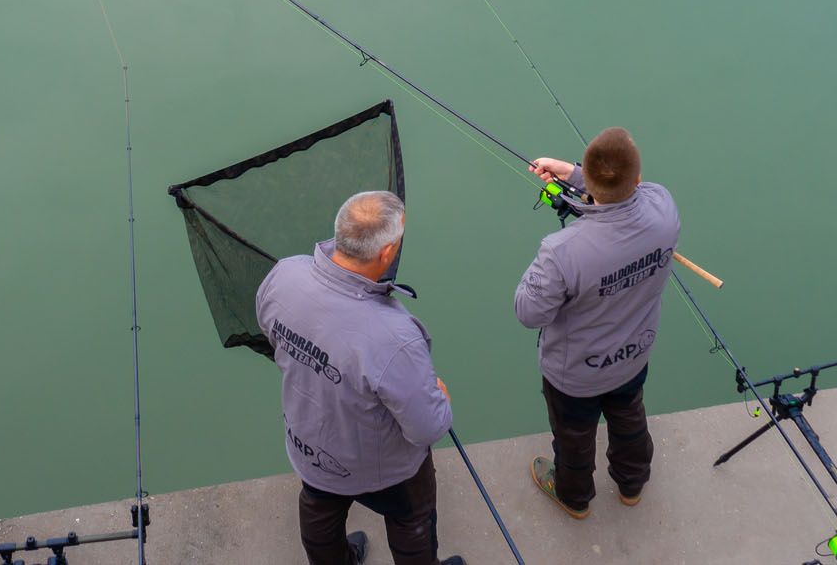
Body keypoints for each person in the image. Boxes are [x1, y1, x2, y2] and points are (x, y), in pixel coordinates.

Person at [256, 191, 465, 565]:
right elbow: (426, 428)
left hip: (309, 446)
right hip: (386, 470)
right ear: (386, 254)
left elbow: (270, 334)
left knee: (320, 510)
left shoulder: (284, 274)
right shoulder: (394, 336)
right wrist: (441, 399)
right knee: (410, 519)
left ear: (339, 233)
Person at [514, 127, 681, 519]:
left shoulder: (562, 251)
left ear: (590, 179)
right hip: (634, 355)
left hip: (576, 374)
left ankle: (574, 497)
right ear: (638, 179)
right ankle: (632, 484)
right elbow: (627, 192)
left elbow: (528, 312)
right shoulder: (664, 209)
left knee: (573, 438)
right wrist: (574, 174)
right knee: (629, 416)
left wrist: (579, 178)